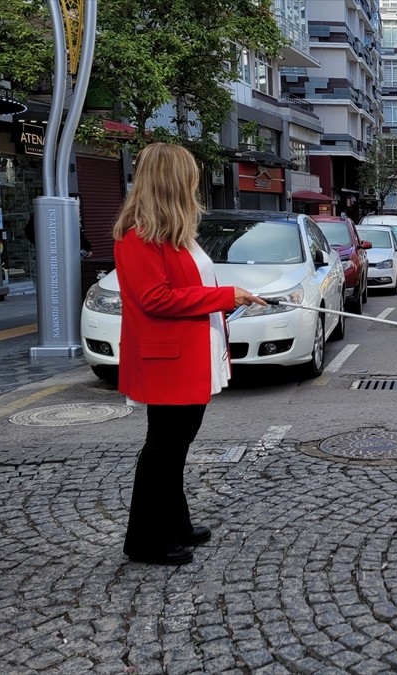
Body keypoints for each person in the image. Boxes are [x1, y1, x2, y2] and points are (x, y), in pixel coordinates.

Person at [113, 143, 266, 565]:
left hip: (186, 356)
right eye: (190, 177)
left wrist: (232, 297)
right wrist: (224, 295)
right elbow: (155, 299)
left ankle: (174, 522)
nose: (195, 184)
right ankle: (145, 540)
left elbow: (185, 289)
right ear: (172, 181)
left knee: (173, 447)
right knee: (163, 449)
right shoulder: (137, 235)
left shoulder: (172, 232)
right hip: (168, 362)